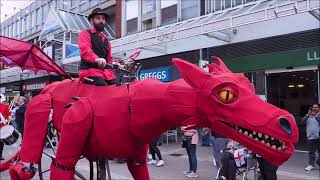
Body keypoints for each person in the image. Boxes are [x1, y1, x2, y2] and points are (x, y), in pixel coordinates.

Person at [78, 8, 118, 86]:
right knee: (102, 85)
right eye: (98, 18)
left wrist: (117, 63)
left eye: (103, 19)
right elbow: (85, 50)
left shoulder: (106, 40)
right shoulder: (85, 33)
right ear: (92, 20)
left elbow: (109, 59)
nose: (101, 21)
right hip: (89, 71)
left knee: (117, 85)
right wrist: (96, 59)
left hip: (105, 73)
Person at [302, 104, 320, 171]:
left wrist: (316, 116)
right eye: (313, 107)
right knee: (311, 152)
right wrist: (307, 115)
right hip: (311, 137)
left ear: (319, 108)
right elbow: (302, 122)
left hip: (319, 137)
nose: (314, 108)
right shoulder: (308, 116)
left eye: (316, 107)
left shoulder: (318, 116)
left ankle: (319, 162)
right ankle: (311, 165)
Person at [0, 93, 12, 160]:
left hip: (2, 126)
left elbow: (8, 115)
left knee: (1, 142)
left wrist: (9, 118)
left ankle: (0, 155)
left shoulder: (5, 106)